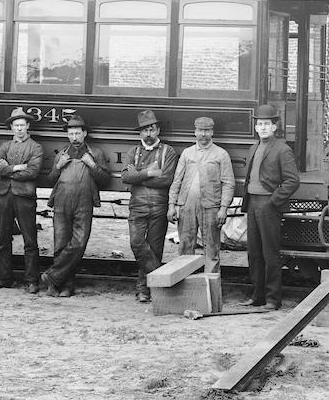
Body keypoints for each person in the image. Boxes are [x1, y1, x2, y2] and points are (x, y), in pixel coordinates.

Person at [41, 115, 111, 297]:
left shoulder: (95, 153)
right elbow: (49, 180)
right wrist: (58, 167)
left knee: (79, 243)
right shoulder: (61, 154)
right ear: (67, 136)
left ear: (85, 133)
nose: (75, 137)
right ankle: (63, 285)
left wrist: (92, 165)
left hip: (84, 201)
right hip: (61, 201)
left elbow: (105, 180)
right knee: (60, 244)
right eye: (71, 134)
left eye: (78, 133)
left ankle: (52, 275)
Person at [240, 104, 300, 310]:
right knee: (254, 253)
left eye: (267, 124)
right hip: (252, 204)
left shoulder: (282, 149)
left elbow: (292, 181)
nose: (263, 127)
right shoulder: (253, 148)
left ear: (275, 127)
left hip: (269, 205)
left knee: (270, 253)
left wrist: (273, 202)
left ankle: (273, 299)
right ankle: (257, 296)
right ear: (256, 128)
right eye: (259, 124)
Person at [122, 109, 178, 303]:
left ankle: (144, 290)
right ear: (140, 133)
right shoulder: (133, 152)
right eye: (144, 130)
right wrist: (149, 173)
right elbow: (125, 177)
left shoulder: (168, 151)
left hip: (158, 206)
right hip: (137, 206)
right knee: (136, 243)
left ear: (158, 130)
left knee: (154, 249)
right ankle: (162, 279)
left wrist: (138, 176)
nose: (148, 134)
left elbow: (167, 179)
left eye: (151, 129)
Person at [168, 116, 235, 274]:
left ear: (212, 132)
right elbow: (177, 181)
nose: (203, 134)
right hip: (186, 207)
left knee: (211, 250)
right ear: (195, 132)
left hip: (211, 207)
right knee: (185, 248)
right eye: (200, 130)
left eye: (207, 130)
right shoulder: (187, 153)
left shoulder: (221, 154)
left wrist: (223, 208)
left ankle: (210, 292)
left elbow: (228, 183)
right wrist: (172, 205)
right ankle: (186, 288)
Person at [0, 107, 45, 294]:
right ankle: (4, 277)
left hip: (24, 196)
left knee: (30, 239)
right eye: (16, 125)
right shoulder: (5, 146)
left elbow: (32, 172)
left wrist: (8, 169)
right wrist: (18, 167)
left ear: (28, 126)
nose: (19, 129)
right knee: (2, 238)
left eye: (22, 125)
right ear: (11, 127)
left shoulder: (36, 147)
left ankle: (32, 280)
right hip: (5, 195)